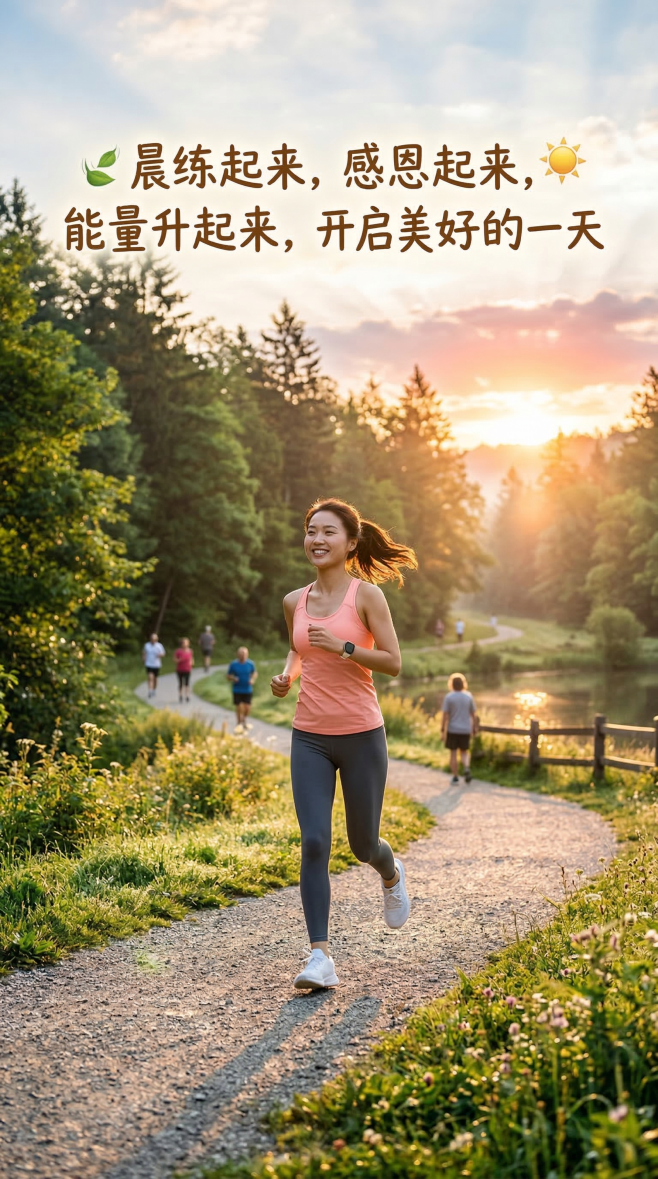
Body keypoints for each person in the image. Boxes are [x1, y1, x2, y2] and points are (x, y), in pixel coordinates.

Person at [270, 497, 418, 991]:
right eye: (311, 530)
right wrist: (288, 674)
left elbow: (394, 661)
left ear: (351, 543)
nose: (317, 539)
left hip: (361, 736)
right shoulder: (295, 600)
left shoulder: (367, 597)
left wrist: (346, 648)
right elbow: (298, 644)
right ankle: (320, 956)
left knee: (361, 844)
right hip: (309, 736)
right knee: (314, 841)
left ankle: (390, 870)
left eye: (328, 532)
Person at [441, 672, 479, 785]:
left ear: (451, 684)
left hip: (453, 729)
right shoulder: (468, 696)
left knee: (453, 753)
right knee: (464, 751)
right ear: (463, 684)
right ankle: (466, 768)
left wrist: (443, 730)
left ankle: (455, 776)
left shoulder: (449, 697)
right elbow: (473, 714)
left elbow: (445, 716)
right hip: (465, 729)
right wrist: (474, 727)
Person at [227, 646, 257, 732]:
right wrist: (233, 678)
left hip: (247, 689)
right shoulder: (233, 664)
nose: (243, 656)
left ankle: (243, 719)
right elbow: (228, 676)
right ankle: (239, 723)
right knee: (239, 707)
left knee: (247, 708)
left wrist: (252, 679)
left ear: (247, 655)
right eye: (241, 654)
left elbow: (254, 673)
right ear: (238, 655)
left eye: (244, 654)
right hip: (237, 689)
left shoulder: (250, 664)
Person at [142, 632, 165, 698]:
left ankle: (154, 689)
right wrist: (144, 658)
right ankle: (150, 690)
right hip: (149, 664)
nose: (153, 640)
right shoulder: (147, 645)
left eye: (155, 639)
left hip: (156, 664)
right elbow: (144, 652)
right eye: (152, 639)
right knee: (150, 677)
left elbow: (163, 653)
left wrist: (160, 655)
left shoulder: (159, 646)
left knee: (155, 678)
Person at [174, 637, 194, 703]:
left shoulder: (190, 651)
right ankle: (180, 695)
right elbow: (175, 660)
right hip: (180, 669)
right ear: (181, 644)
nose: (185, 644)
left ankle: (187, 696)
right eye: (184, 643)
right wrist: (180, 660)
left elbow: (191, 659)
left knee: (187, 683)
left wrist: (191, 664)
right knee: (180, 683)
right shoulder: (178, 651)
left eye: (187, 643)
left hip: (187, 669)